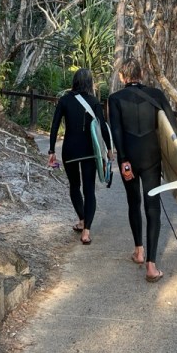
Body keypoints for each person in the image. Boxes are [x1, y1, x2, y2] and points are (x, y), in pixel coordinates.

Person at [108, 56, 175, 283]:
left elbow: (116, 131)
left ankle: (139, 251)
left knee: (133, 203)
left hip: (128, 159)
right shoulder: (156, 96)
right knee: (152, 206)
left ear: (121, 77)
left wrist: (124, 160)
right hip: (151, 158)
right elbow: (172, 129)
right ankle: (152, 267)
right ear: (142, 74)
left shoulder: (115, 98)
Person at [48, 68, 111, 246]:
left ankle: (82, 219)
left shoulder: (64, 100)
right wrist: (108, 149)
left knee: (75, 186)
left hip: (70, 150)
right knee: (89, 189)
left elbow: (54, 126)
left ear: (74, 81)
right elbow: (103, 127)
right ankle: (86, 232)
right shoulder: (93, 101)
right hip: (90, 151)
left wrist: (51, 150)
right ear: (89, 83)